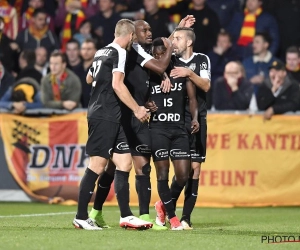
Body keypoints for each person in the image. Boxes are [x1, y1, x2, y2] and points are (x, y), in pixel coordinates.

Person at [87, 16, 195, 230]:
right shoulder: (131, 50)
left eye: (150, 29)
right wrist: (164, 62)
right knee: (116, 167)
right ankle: (97, 212)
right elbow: (160, 61)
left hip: (138, 113)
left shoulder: (136, 51)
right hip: (125, 115)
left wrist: (177, 31)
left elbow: (159, 59)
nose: (149, 32)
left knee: (136, 167)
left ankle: (121, 213)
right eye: (143, 30)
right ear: (133, 35)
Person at [72, 19, 153, 230]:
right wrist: (137, 109)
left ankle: (126, 215)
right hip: (104, 115)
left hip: (110, 115)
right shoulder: (120, 53)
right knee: (97, 165)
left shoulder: (101, 52)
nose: (134, 40)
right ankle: (81, 217)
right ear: (130, 36)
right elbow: (117, 85)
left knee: (124, 162)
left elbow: (89, 79)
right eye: (133, 37)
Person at [155, 27, 211, 230]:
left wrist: (189, 73)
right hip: (176, 120)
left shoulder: (202, 59)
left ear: (188, 42)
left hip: (197, 118)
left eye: (178, 38)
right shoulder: (170, 61)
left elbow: (205, 85)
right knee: (183, 171)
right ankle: (168, 208)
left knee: (195, 170)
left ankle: (185, 217)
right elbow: (160, 47)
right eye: (174, 38)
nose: (174, 41)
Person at [149, 38, 199, 230]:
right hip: (158, 129)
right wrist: (147, 104)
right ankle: (173, 218)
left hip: (179, 129)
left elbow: (192, 99)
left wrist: (194, 118)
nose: (159, 57)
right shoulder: (148, 74)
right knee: (162, 173)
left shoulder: (180, 72)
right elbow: (140, 96)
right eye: (156, 55)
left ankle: (162, 204)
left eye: (162, 54)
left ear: (169, 53)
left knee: (183, 175)